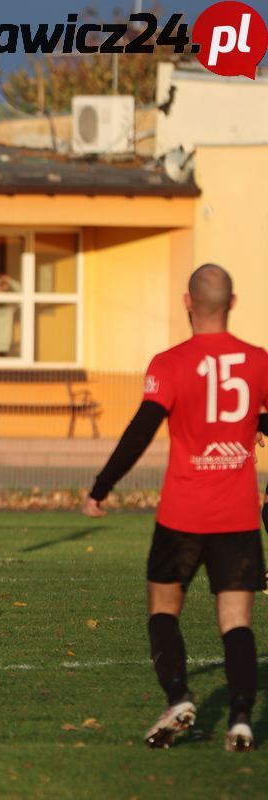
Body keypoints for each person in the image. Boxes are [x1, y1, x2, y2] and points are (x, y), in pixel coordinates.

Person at [83, 263, 268, 753]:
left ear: (188, 302)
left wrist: (100, 488)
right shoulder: (258, 362)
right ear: (232, 302)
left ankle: (180, 697)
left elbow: (139, 433)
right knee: (237, 622)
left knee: (163, 610)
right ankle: (243, 721)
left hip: (182, 516)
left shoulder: (169, 363)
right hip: (238, 518)